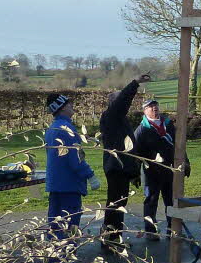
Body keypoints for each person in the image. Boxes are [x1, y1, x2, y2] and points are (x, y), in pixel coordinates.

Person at [98, 74, 152, 247]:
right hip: (115, 167)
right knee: (115, 203)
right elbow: (123, 101)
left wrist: (134, 172)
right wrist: (135, 82)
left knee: (119, 203)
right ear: (114, 103)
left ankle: (113, 236)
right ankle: (110, 237)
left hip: (121, 168)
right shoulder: (111, 116)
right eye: (119, 99)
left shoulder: (119, 120)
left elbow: (130, 147)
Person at [133, 98, 190, 239]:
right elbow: (134, 154)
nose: (154, 108)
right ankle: (151, 231)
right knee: (151, 200)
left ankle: (173, 230)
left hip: (168, 169)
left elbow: (179, 145)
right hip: (151, 171)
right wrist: (134, 174)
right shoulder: (141, 130)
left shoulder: (168, 125)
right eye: (150, 106)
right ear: (144, 110)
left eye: (155, 105)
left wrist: (186, 162)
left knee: (171, 200)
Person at [44, 93, 96, 241]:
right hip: (69, 185)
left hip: (56, 184)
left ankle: (53, 259)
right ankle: (65, 261)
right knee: (69, 226)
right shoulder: (67, 129)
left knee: (55, 226)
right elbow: (75, 159)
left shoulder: (52, 128)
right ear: (62, 108)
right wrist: (90, 175)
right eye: (68, 104)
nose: (72, 106)